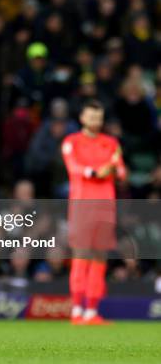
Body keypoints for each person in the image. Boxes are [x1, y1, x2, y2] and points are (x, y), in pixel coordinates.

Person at [61, 99, 126, 326]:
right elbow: (74, 168)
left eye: (98, 118)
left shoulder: (111, 143)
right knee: (81, 256)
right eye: (91, 117)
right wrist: (96, 171)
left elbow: (122, 172)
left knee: (99, 258)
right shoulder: (72, 142)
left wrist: (115, 169)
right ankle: (77, 310)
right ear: (82, 118)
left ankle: (91, 311)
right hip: (81, 207)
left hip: (105, 207)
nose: (95, 122)